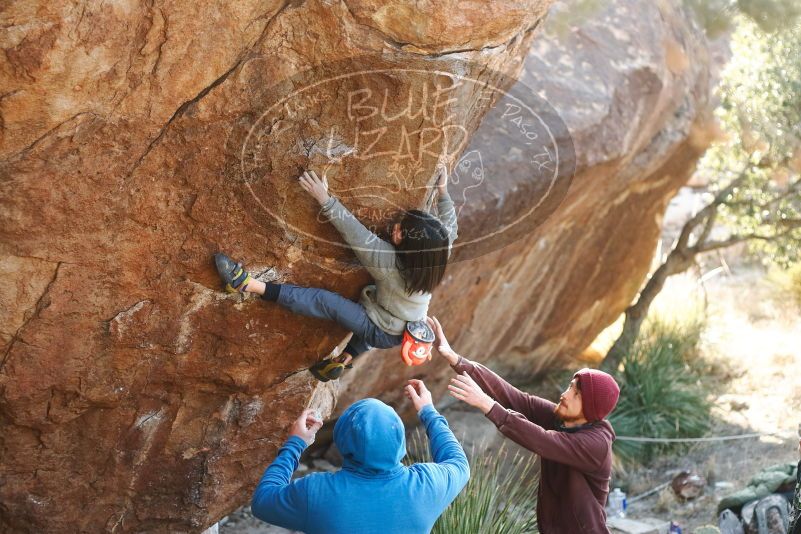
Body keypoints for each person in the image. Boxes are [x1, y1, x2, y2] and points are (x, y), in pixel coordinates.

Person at [214, 167, 457, 381]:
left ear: (410, 248)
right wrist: (443, 192)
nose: (395, 228)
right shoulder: (436, 255)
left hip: (384, 330)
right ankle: (344, 359)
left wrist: (324, 198)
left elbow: (355, 234)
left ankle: (249, 285)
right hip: (405, 322)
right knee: (372, 319)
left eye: (400, 232)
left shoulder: (389, 265)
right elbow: (449, 229)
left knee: (326, 302)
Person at [427, 316, 620, 534]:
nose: (565, 394)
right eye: (570, 386)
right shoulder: (563, 418)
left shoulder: (595, 445)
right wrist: (457, 360)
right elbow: (517, 399)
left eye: (576, 393)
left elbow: (544, 441)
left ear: (591, 408)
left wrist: (485, 404)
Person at [250, 380, 469, 534]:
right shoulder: (427, 486)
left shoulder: (317, 493)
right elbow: (459, 463)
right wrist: (428, 412)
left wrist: (295, 444)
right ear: (400, 440)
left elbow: (262, 501)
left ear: (342, 442)